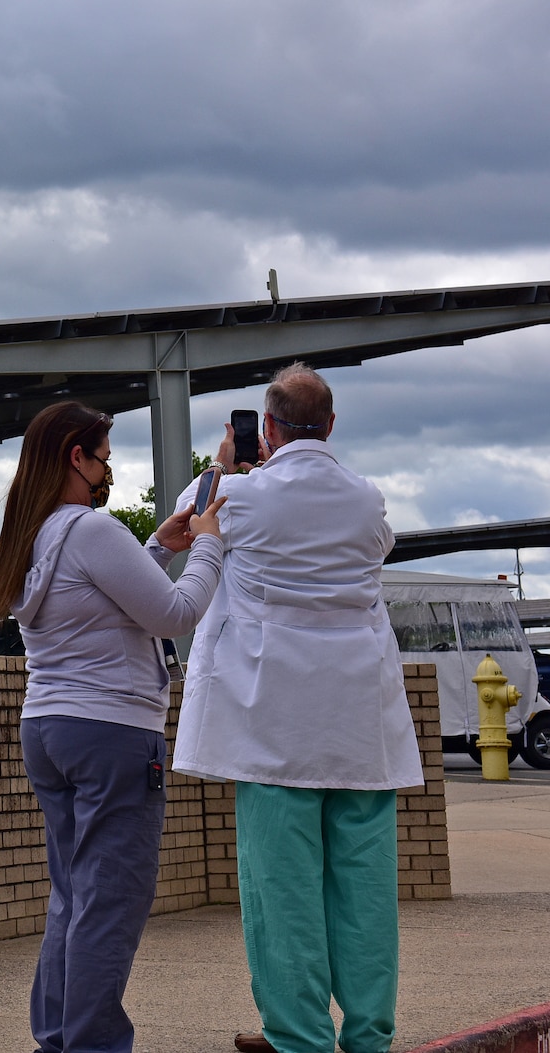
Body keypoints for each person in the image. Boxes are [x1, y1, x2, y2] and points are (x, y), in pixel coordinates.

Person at [170, 363, 421, 1053]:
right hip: (360, 724)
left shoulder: (238, 495)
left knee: (282, 895)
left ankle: (301, 1038)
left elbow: (192, 522)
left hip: (272, 722)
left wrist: (227, 466)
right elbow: (373, 546)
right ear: (332, 425)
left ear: (268, 428)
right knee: (365, 891)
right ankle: (369, 1036)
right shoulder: (367, 500)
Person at [0, 400, 227, 1053]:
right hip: (112, 732)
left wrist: (155, 547)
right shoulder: (90, 529)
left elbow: (100, 602)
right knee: (110, 901)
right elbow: (174, 613)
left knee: (73, 896)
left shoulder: (32, 535)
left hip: (50, 728)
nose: (107, 470)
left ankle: (58, 1037)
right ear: (75, 457)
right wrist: (207, 545)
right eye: (104, 458)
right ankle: (92, 1043)